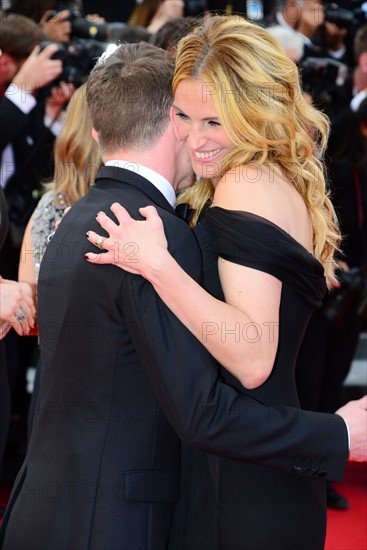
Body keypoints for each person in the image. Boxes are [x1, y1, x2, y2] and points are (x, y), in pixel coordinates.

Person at [0, 39, 365, 550]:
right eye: (184, 116)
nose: (194, 138)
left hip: (242, 476)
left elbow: (253, 357)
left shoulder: (246, 182)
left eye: (213, 120)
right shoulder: (235, 185)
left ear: (253, 111)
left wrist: (159, 265)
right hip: (240, 469)